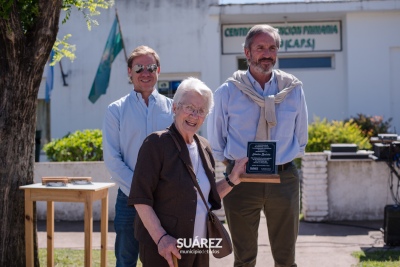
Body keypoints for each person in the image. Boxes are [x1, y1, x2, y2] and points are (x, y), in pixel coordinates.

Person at [207, 24, 308, 267]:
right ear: (247, 52)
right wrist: (235, 170)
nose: (267, 53)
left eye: (272, 48)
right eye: (260, 47)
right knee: (245, 258)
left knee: (286, 259)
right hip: (241, 183)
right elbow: (216, 141)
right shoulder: (227, 92)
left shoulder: (293, 89)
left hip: (284, 180)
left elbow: (301, 137)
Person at [127, 77, 248, 267]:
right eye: (189, 107)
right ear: (175, 108)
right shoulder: (156, 144)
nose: (194, 115)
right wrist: (162, 238)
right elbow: (140, 199)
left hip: (198, 247)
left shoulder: (204, 147)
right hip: (166, 249)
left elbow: (206, 197)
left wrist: (233, 179)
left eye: (201, 111)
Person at [102, 45, 174, 267]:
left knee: (162, 258)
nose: (145, 73)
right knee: (125, 259)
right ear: (129, 72)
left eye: (151, 67)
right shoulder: (116, 110)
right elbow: (113, 159)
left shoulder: (173, 108)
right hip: (129, 199)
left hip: (165, 198)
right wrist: (140, 188)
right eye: (139, 68)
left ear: (158, 70)